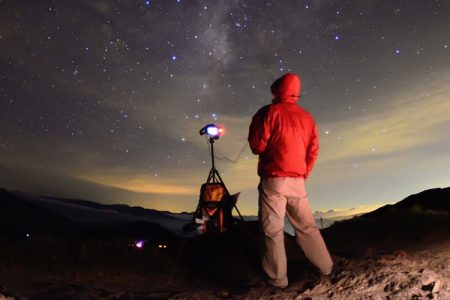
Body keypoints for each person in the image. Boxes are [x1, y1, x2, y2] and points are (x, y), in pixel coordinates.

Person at [248, 72, 333, 288]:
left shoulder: (269, 112)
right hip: (298, 180)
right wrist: (304, 173)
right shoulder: (308, 117)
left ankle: (278, 279)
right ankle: (326, 267)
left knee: (273, 229)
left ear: (276, 91)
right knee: (307, 227)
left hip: (274, 179)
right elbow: (313, 150)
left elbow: (257, 146)